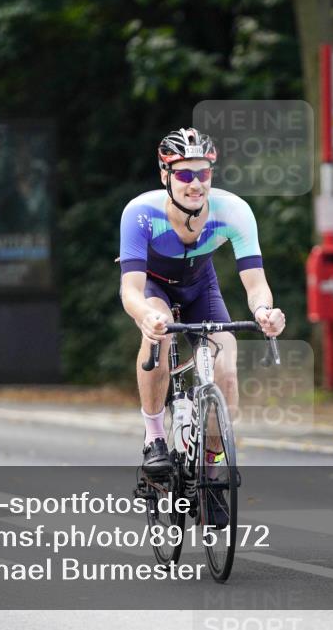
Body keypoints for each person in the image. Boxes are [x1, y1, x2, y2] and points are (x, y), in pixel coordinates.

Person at [118, 128, 286, 486]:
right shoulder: (140, 213)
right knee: (159, 335)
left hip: (200, 288)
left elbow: (256, 284)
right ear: (165, 175)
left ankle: (212, 468)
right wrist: (145, 316)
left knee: (226, 369)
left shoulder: (234, 211)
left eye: (203, 173)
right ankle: (154, 438)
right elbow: (129, 289)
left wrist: (264, 313)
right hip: (154, 288)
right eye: (184, 174)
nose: (195, 184)